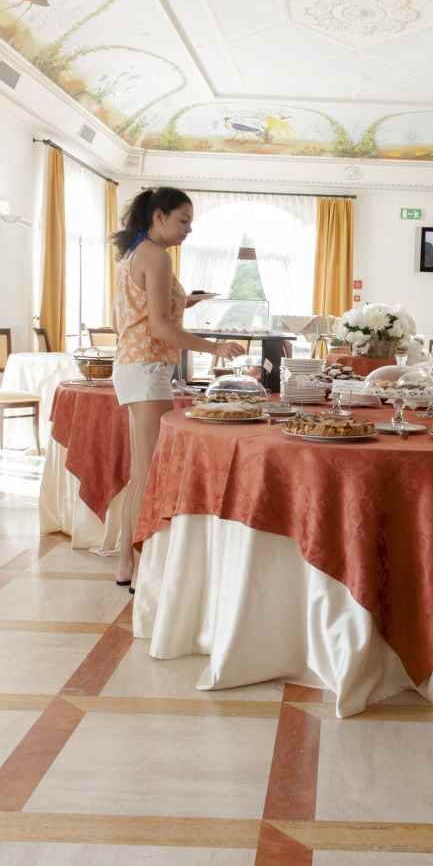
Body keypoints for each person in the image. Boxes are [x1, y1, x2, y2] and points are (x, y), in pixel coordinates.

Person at [112, 187, 239, 589]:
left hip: (134, 363)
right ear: (160, 216)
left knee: (141, 468)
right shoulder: (157, 256)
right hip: (147, 365)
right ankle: (137, 565)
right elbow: (161, 328)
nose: (189, 229)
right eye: (183, 220)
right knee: (147, 469)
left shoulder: (135, 253)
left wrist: (186, 301)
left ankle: (126, 561)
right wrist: (215, 346)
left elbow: (149, 314)